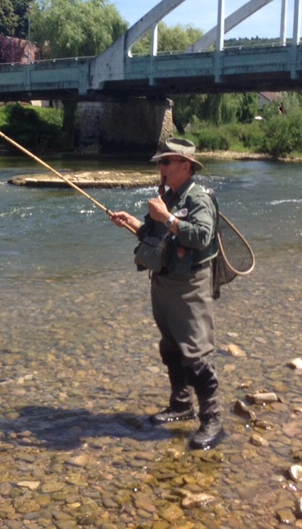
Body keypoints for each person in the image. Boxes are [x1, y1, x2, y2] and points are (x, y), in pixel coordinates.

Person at [110, 138, 224, 450]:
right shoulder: (168, 197)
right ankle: (181, 405)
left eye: (166, 162)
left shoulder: (200, 198)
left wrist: (169, 218)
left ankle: (213, 420)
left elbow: (201, 236)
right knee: (170, 347)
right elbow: (154, 233)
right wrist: (131, 223)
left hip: (189, 285)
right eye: (160, 162)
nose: (160, 168)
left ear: (185, 166)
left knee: (196, 354)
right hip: (162, 281)